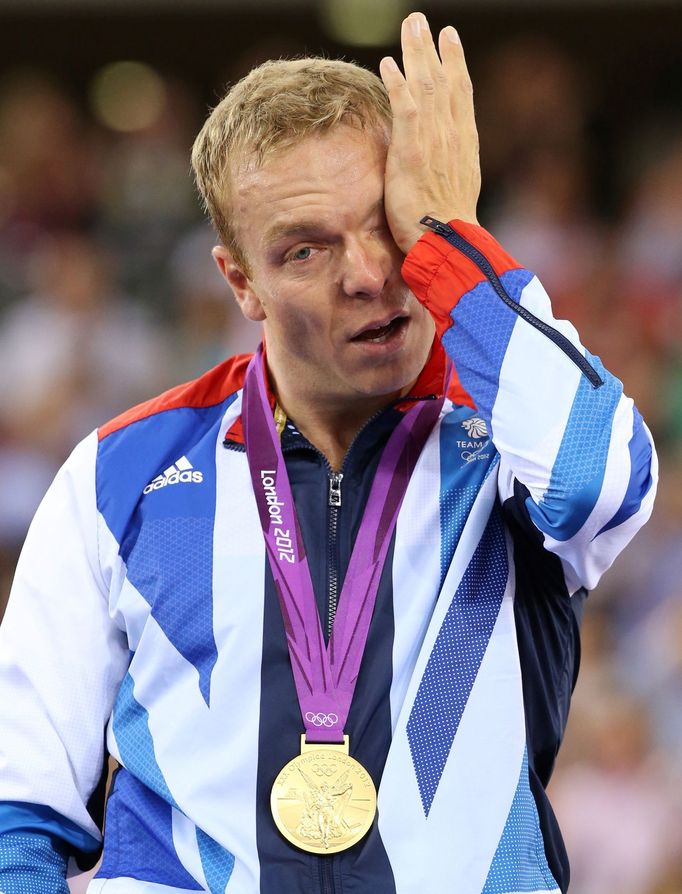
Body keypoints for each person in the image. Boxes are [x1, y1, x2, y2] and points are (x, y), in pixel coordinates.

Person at [0, 11, 657, 894]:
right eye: (306, 249)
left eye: (387, 224)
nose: (367, 274)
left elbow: (600, 484)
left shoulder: (507, 443)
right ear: (241, 284)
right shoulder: (120, 477)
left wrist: (452, 241)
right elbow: (20, 808)